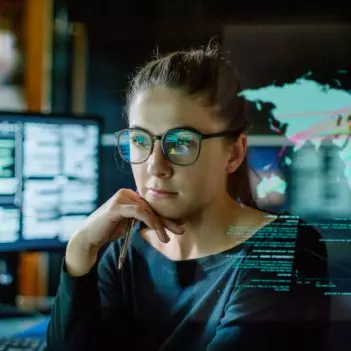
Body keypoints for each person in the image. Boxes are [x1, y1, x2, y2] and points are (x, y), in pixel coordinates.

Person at [46, 42, 330, 351]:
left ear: (233, 153)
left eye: (181, 143)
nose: (156, 166)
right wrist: (80, 249)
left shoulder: (285, 249)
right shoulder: (123, 254)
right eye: (140, 140)